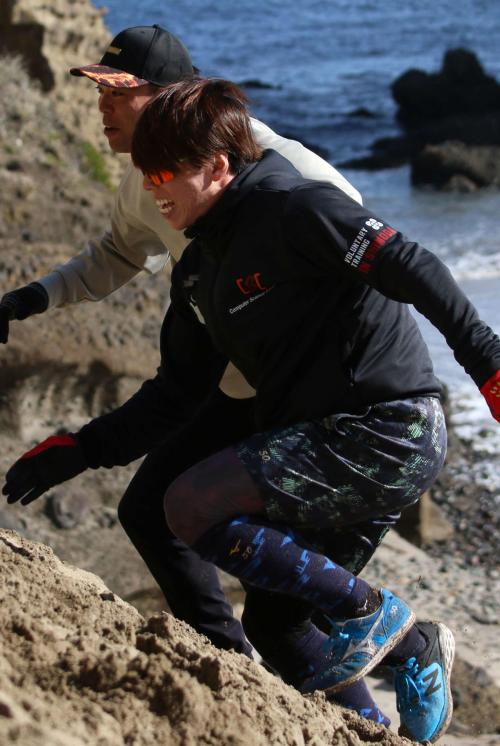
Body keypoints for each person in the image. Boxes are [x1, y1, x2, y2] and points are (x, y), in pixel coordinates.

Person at [4, 78, 500, 740]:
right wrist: (82, 449)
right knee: (277, 625)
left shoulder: (293, 206)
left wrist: (487, 363)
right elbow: (176, 393)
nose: (152, 188)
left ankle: (379, 616)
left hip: (387, 429)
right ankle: (394, 692)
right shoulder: (197, 272)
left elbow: (410, 263)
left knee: (188, 504)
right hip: (324, 448)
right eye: (144, 173)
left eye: (164, 173)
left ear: (217, 166)